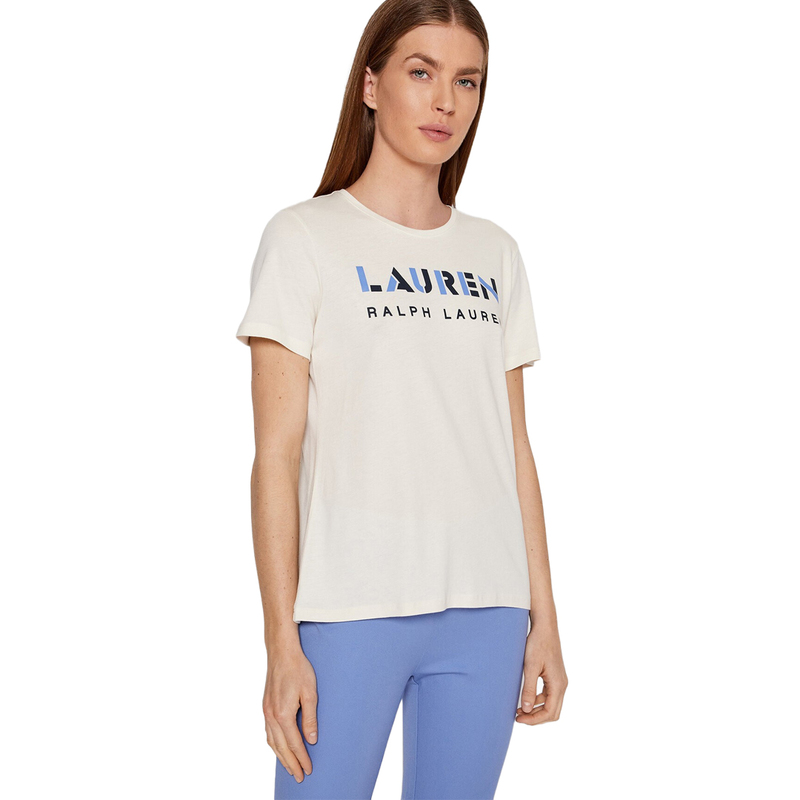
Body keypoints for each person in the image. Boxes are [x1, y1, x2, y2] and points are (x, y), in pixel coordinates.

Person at [235, 1, 567, 797]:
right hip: (348, 609)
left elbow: (513, 448)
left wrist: (544, 617)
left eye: (467, 81)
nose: (446, 101)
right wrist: (281, 640)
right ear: (371, 84)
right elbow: (276, 457)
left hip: (488, 612)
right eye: (422, 72)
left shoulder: (495, 253)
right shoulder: (303, 238)